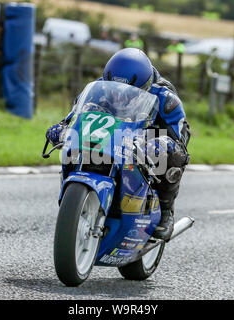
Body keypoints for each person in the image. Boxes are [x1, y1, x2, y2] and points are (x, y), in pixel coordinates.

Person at [46, 48, 191, 241]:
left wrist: (161, 143)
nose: (121, 98)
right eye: (114, 90)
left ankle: (166, 210)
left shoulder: (166, 98)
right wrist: (61, 128)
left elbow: (180, 134)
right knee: (75, 144)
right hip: (112, 134)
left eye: (128, 93)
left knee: (174, 155)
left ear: (146, 85)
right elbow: (74, 117)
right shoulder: (97, 87)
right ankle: (75, 196)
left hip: (148, 137)